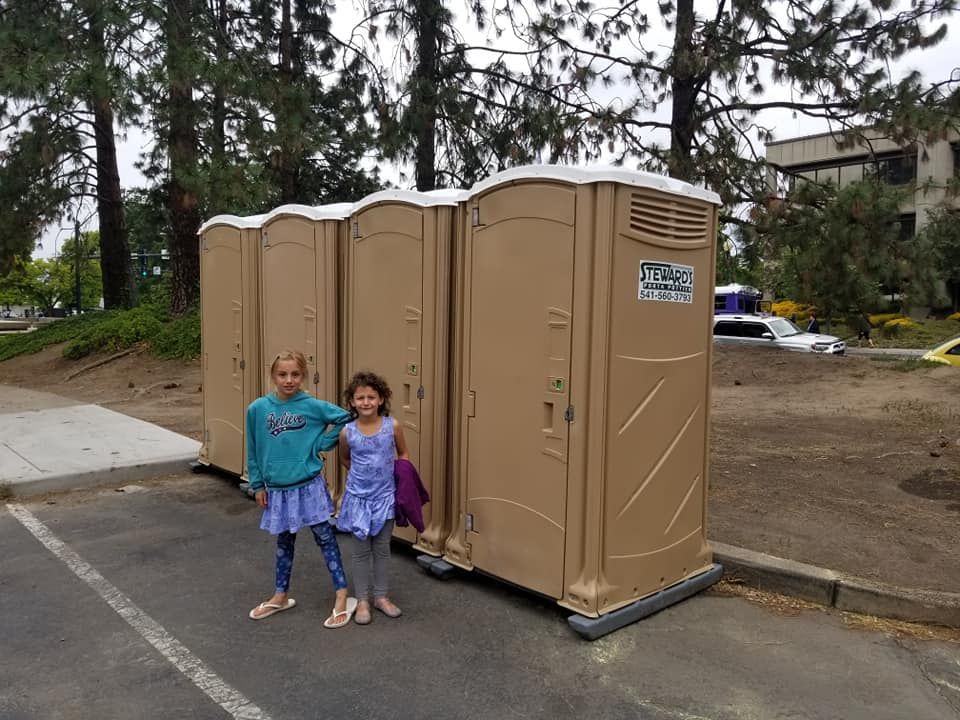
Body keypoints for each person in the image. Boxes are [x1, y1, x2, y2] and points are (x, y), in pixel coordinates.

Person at [245, 349, 356, 627]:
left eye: (295, 374)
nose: (289, 380)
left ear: (303, 375)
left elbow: (346, 417)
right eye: (282, 374)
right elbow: (253, 448)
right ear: (273, 375)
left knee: (325, 539)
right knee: (284, 543)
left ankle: (342, 594)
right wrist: (257, 484)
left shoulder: (311, 405)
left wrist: (321, 443)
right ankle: (280, 595)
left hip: (309, 486)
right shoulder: (258, 409)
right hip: (278, 490)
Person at [338, 370, 409, 625]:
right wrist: (363, 480)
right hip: (358, 500)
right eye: (360, 398)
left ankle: (381, 597)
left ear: (381, 399)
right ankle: (363, 601)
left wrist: (400, 482)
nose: (366, 402)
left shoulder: (393, 426)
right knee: (359, 553)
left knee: (381, 549)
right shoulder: (347, 432)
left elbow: (403, 454)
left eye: (371, 397)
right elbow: (345, 458)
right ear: (352, 402)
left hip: (385, 499)